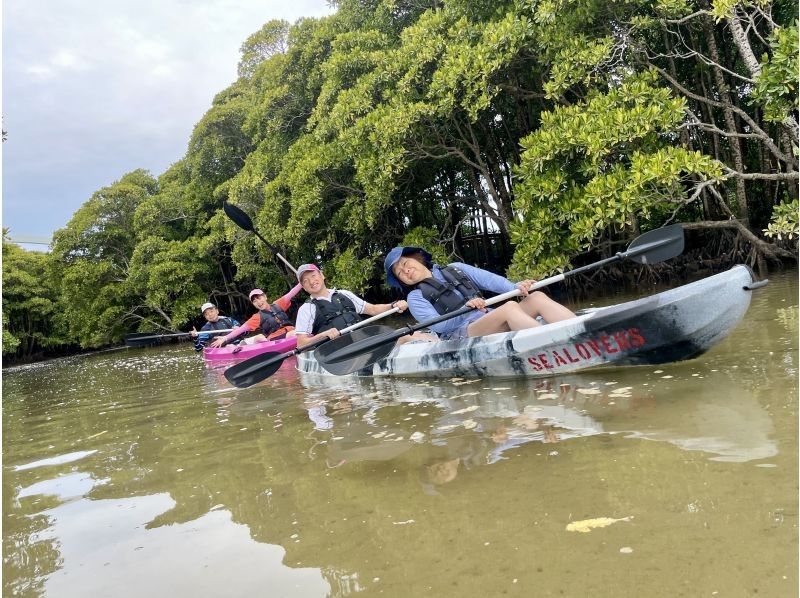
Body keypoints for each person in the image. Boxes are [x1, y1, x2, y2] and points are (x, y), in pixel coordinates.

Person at [384, 246, 575, 340]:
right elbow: (440, 327)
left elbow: (490, 280)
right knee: (509, 308)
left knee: (537, 297)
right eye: (399, 273)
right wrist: (466, 310)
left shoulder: (455, 268)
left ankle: (579, 330)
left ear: (417, 258)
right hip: (458, 335)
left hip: (487, 317)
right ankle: (551, 343)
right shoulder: (415, 297)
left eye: (405, 264)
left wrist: (517, 287)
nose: (405, 271)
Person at [293, 263, 435, 348]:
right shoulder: (307, 309)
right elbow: (301, 344)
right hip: (339, 350)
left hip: (363, 339)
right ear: (304, 287)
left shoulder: (344, 294)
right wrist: (323, 335)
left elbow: (372, 309)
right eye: (305, 281)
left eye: (313, 276)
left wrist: (393, 305)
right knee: (405, 337)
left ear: (322, 275)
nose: (311, 281)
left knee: (410, 333)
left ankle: (443, 345)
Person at [209, 282, 303, 348]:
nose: (258, 302)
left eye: (259, 298)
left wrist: (302, 281)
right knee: (294, 334)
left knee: (296, 332)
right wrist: (225, 338)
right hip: (276, 338)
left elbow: (292, 293)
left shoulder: (278, 304)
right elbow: (241, 329)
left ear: (265, 297)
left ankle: (256, 340)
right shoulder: (257, 317)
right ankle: (255, 341)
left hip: (291, 331)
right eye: (254, 301)